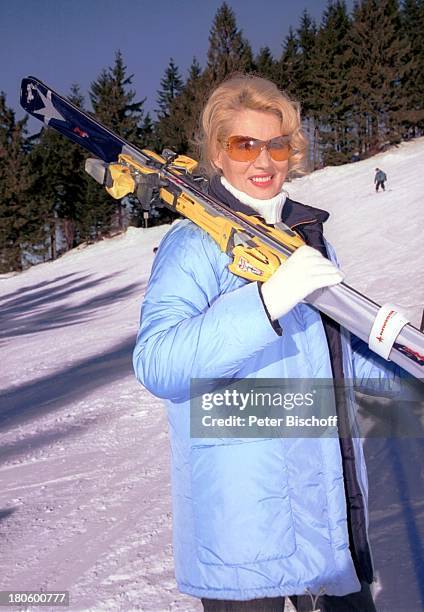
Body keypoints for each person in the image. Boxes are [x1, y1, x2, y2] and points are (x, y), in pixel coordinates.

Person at [133, 74, 398, 611]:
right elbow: (158, 363)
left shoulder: (309, 238)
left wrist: (405, 357)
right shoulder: (193, 245)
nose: (263, 160)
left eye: (276, 144)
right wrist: (264, 303)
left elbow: (339, 362)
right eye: (243, 144)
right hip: (245, 531)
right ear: (217, 152)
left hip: (325, 516)